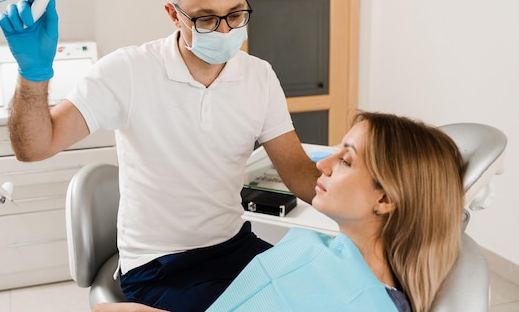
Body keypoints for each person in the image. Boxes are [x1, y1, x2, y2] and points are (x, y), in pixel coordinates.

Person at [0, 0, 319, 311]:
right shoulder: (128, 71)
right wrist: (33, 74)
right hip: (159, 265)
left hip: (234, 246)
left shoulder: (259, 75)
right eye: (207, 19)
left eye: (236, 14)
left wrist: (373, 211)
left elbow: (297, 170)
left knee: (319, 293)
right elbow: (35, 147)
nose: (226, 30)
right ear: (173, 15)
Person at [90, 111, 465, 312]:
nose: (324, 164)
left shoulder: (361, 303)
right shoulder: (316, 240)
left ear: (385, 201)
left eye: (346, 161)